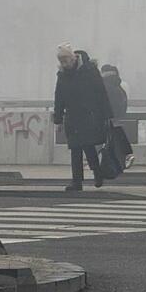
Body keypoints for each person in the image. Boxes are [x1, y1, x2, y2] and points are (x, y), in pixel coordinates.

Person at [53, 44, 112, 192]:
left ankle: (96, 172)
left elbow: (101, 93)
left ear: (73, 58)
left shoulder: (89, 70)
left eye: (66, 61)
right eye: (62, 62)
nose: (65, 65)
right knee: (75, 149)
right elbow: (59, 97)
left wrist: (107, 115)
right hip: (72, 117)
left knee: (87, 146)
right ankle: (77, 182)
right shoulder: (62, 75)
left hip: (89, 115)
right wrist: (58, 118)